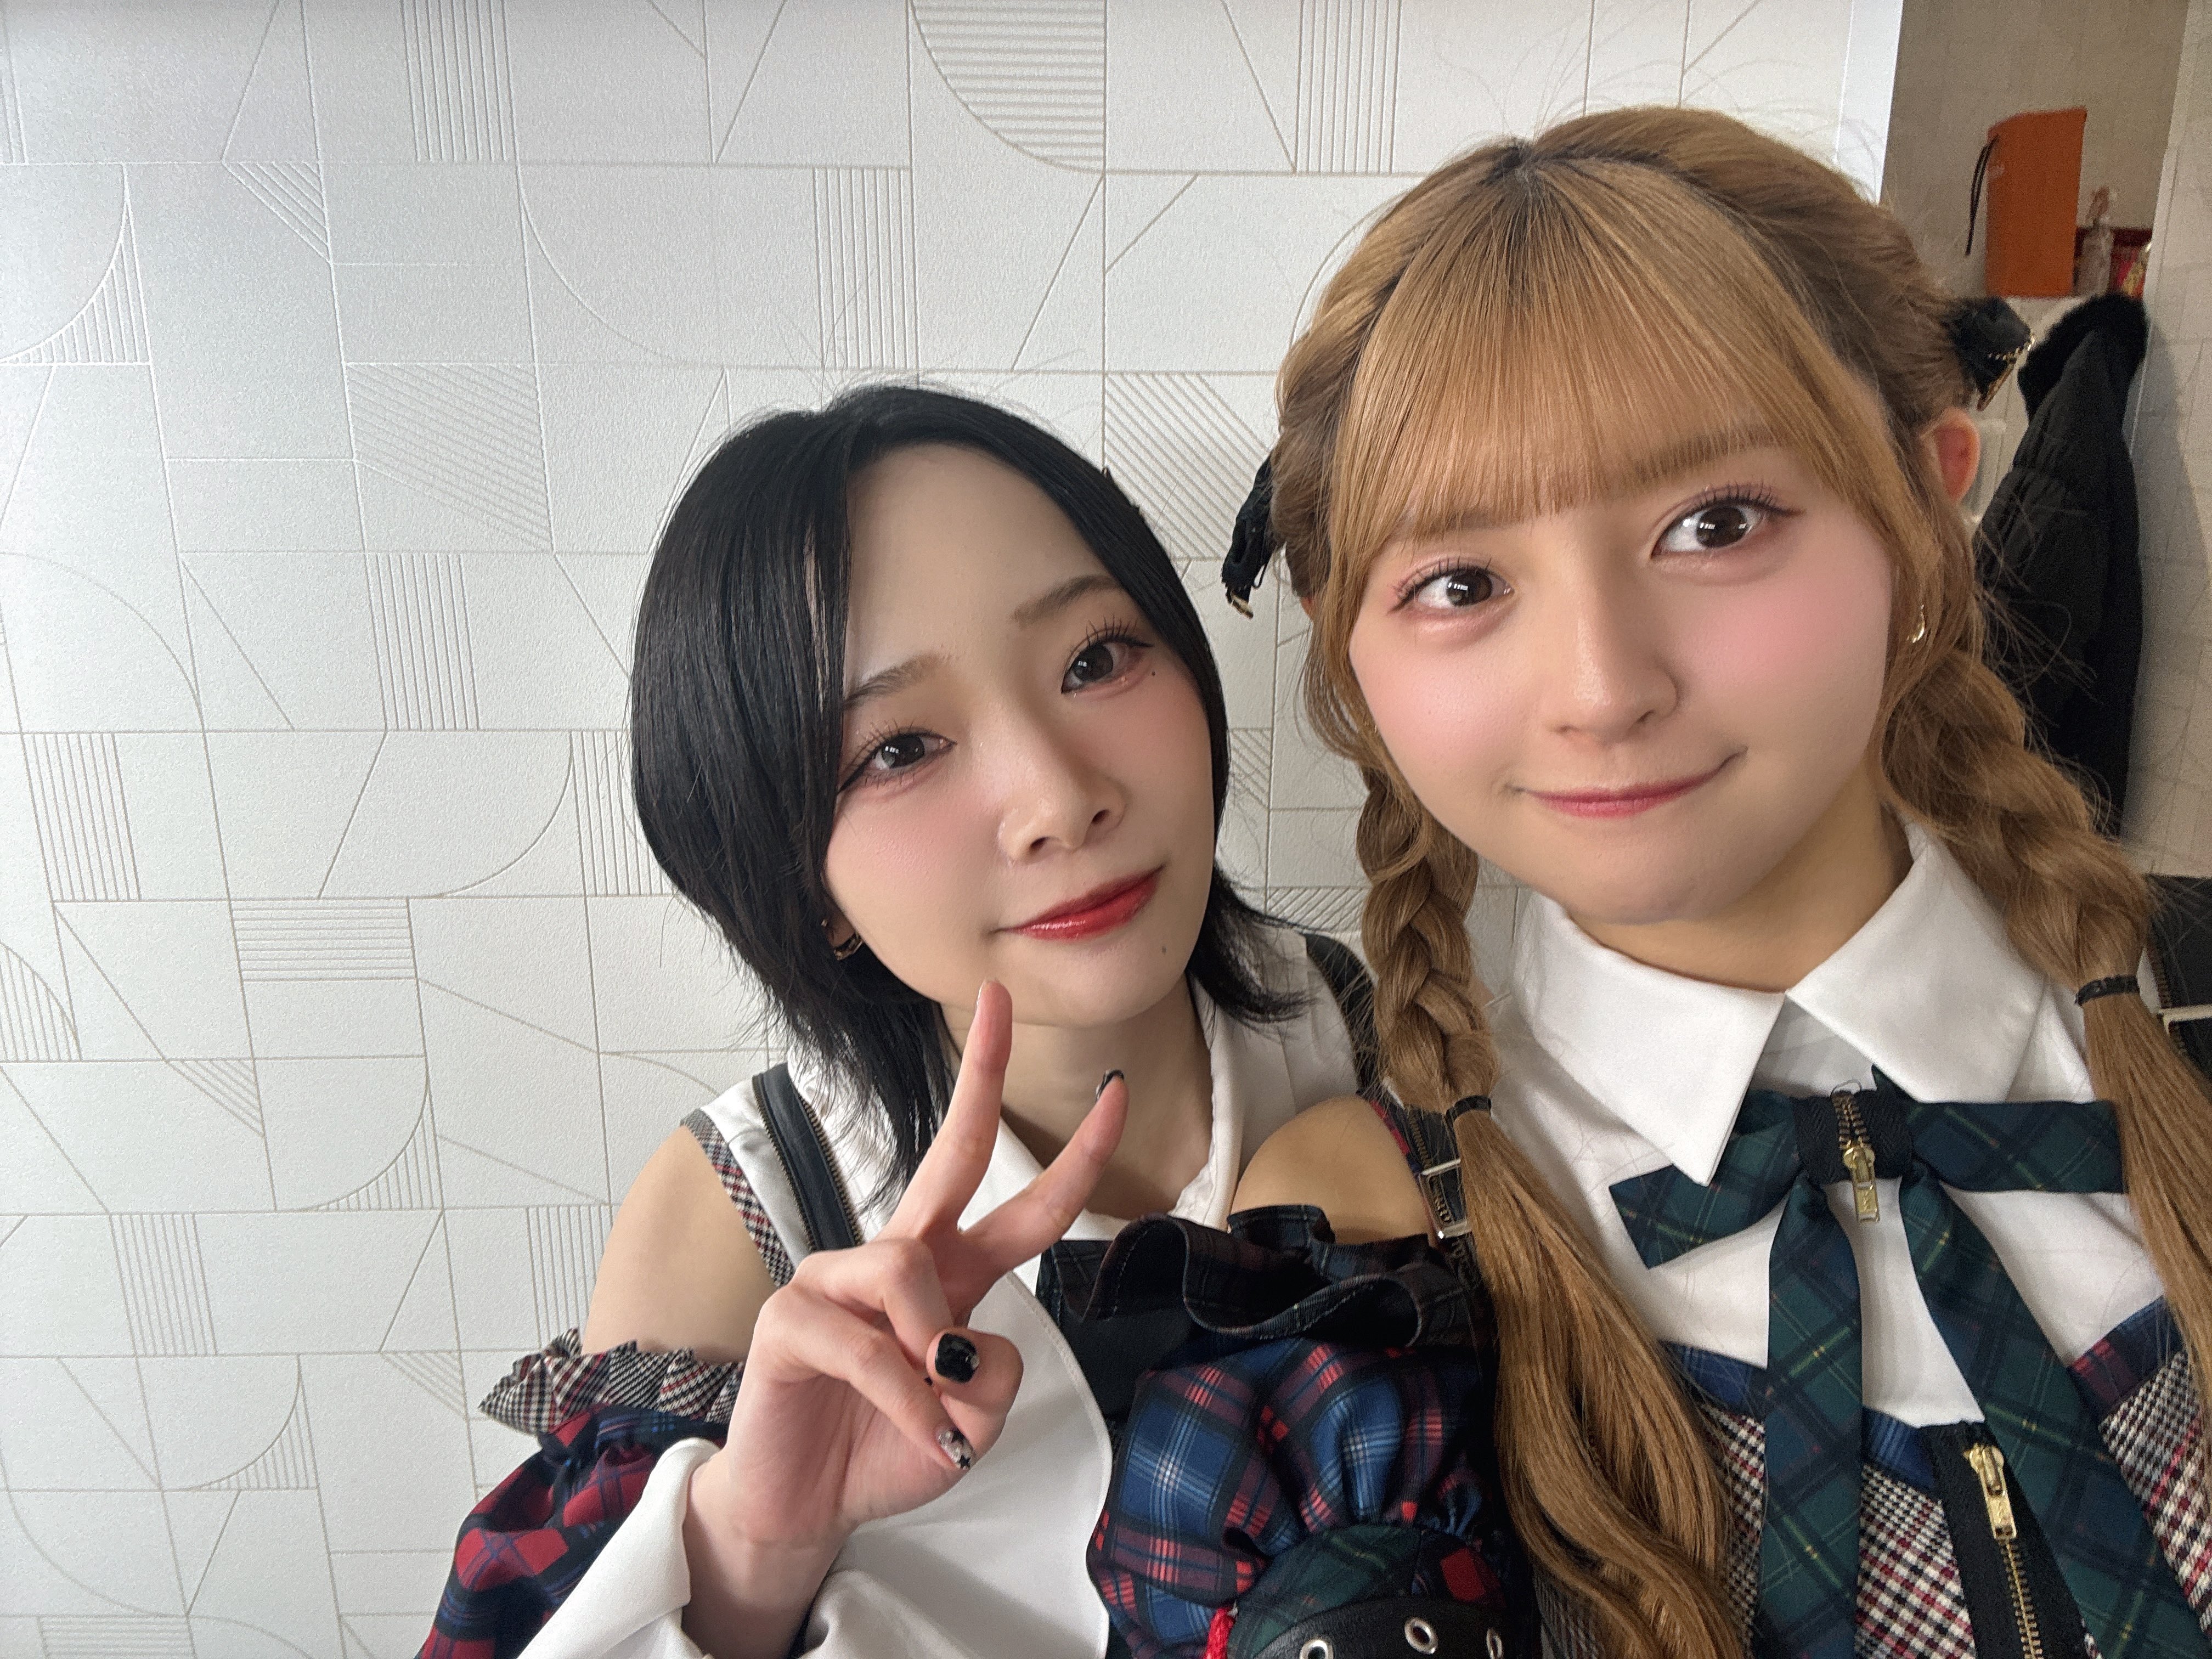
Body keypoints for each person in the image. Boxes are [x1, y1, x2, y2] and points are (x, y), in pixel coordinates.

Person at [1205, 105, 2212, 1659]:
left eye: (1715, 524)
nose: (1603, 688)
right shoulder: (1366, 1242)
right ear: (1354, 654)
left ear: (1927, 507)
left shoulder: (2190, 1014)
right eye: (1461, 582)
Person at [416, 386, 1380, 1659]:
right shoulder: (748, 1212)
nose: (1058, 798)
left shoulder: (1353, 1036)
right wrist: (756, 1546)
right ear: (804, 889)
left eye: (1096, 659)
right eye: (900, 748)